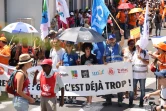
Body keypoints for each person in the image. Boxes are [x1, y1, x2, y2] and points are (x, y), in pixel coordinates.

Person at [103, 30, 124, 107]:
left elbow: (122, 42)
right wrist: (104, 61)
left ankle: (120, 101)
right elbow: (104, 57)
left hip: (117, 69)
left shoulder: (118, 45)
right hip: (109, 70)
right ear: (108, 40)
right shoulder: (107, 47)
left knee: (118, 85)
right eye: (110, 39)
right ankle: (108, 100)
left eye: (113, 39)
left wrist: (122, 35)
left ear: (115, 39)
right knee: (108, 85)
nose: (111, 40)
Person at [129, 40, 149, 107]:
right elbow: (131, 62)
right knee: (132, 89)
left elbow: (147, 62)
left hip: (142, 75)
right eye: (137, 46)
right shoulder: (134, 53)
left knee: (142, 90)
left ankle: (141, 103)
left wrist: (141, 59)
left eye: (139, 46)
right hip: (134, 75)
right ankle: (130, 102)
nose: (138, 47)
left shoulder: (146, 53)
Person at [81, 43, 97, 107]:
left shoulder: (93, 56)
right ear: (84, 49)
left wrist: (93, 65)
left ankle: (90, 101)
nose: (88, 50)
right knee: (86, 88)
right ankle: (87, 100)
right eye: (86, 49)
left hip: (91, 74)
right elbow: (81, 66)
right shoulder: (82, 57)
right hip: (84, 74)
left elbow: (97, 64)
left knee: (90, 88)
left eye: (89, 48)